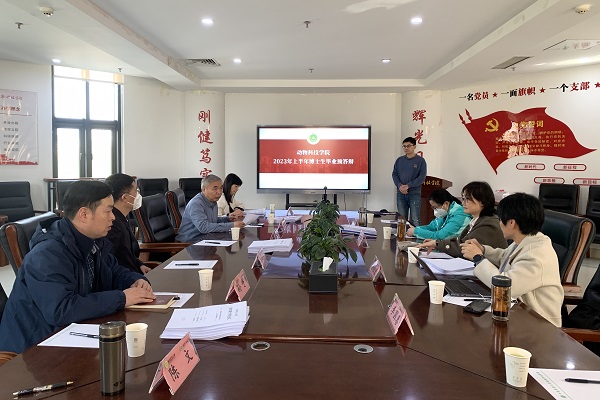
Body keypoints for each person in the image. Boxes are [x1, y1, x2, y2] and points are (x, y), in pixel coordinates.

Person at [0, 181, 155, 354]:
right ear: (84, 214)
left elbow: (114, 270)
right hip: (33, 349)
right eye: (108, 211)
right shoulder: (47, 254)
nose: (113, 217)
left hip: (73, 333)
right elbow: (61, 309)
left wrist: (134, 280)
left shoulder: (93, 240)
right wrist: (122, 298)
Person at [461, 193, 564, 327]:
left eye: (500, 219)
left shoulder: (536, 255)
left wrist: (478, 258)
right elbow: (504, 257)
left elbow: (507, 287)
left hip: (539, 326)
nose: (499, 224)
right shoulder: (527, 240)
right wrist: (483, 250)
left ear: (511, 223)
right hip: (519, 314)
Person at [419, 181, 507, 257]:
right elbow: (460, 240)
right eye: (463, 199)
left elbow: (464, 246)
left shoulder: (488, 224)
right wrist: (437, 243)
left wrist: (437, 244)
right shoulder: (476, 220)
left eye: (467, 199)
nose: (463, 203)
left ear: (482, 202)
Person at [105, 173, 152, 274]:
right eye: (136, 191)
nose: (139, 195)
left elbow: (126, 255)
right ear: (125, 197)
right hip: (127, 280)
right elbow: (110, 264)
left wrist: (139, 264)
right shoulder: (112, 224)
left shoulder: (122, 217)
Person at [176, 174, 245, 243]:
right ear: (204, 189)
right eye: (215, 188)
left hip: (206, 238)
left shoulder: (213, 201)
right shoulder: (196, 203)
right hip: (191, 242)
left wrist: (228, 218)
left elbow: (212, 220)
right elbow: (204, 227)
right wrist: (232, 225)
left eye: (221, 188)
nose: (219, 192)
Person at [392, 137, 427, 226]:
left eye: (408, 146)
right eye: (404, 146)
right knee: (401, 220)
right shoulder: (399, 160)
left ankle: (416, 235)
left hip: (414, 194)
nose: (406, 148)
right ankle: (402, 235)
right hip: (401, 193)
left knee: (415, 219)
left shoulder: (420, 161)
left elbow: (422, 177)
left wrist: (408, 186)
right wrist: (400, 186)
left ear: (414, 146)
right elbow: (394, 174)